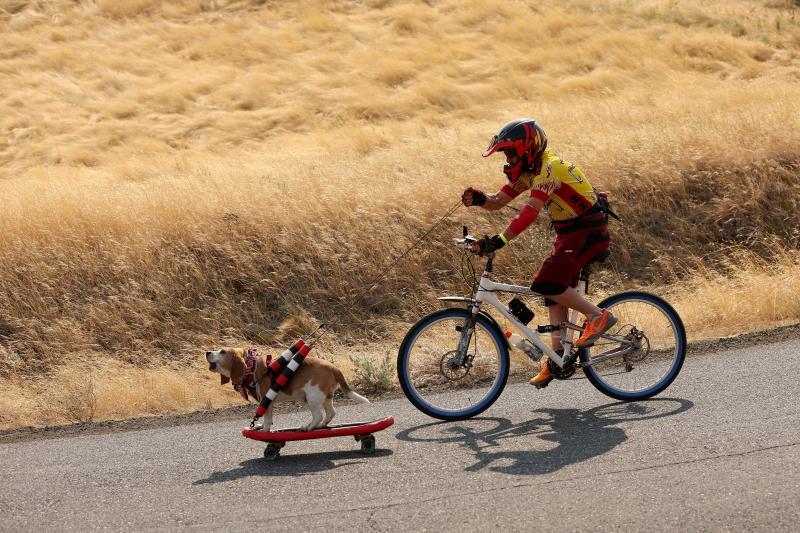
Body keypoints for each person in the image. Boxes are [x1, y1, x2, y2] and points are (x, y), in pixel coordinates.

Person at [461, 118, 616, 389]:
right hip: (569, 233)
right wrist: (480, 199)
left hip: (587, 232)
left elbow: (529, 212)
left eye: (509, 153)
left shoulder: (548, 169)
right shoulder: (530, 171)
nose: (507, 160)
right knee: (550, 288)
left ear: (526, 149)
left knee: (547, 283)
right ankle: (557, 357)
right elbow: (499, 201)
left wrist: (499, 240)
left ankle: (598, 316)